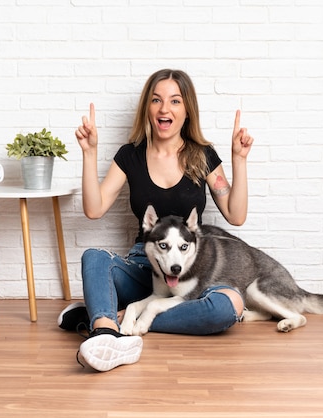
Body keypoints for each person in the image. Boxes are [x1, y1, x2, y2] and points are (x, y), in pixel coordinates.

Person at [58, 69, 254, 372]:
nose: (165, 109)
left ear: (187, 110)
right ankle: (107, 335)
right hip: (144, 266)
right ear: (147, 108)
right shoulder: (130, 156)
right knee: (94, 258)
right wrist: (89, 153)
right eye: (156, 100)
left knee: (230, 306)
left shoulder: (202, 156)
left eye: (175, 101)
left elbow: (235, 213)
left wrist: (238, 160)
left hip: (191, 271)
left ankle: (112, 316)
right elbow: (94, 209)